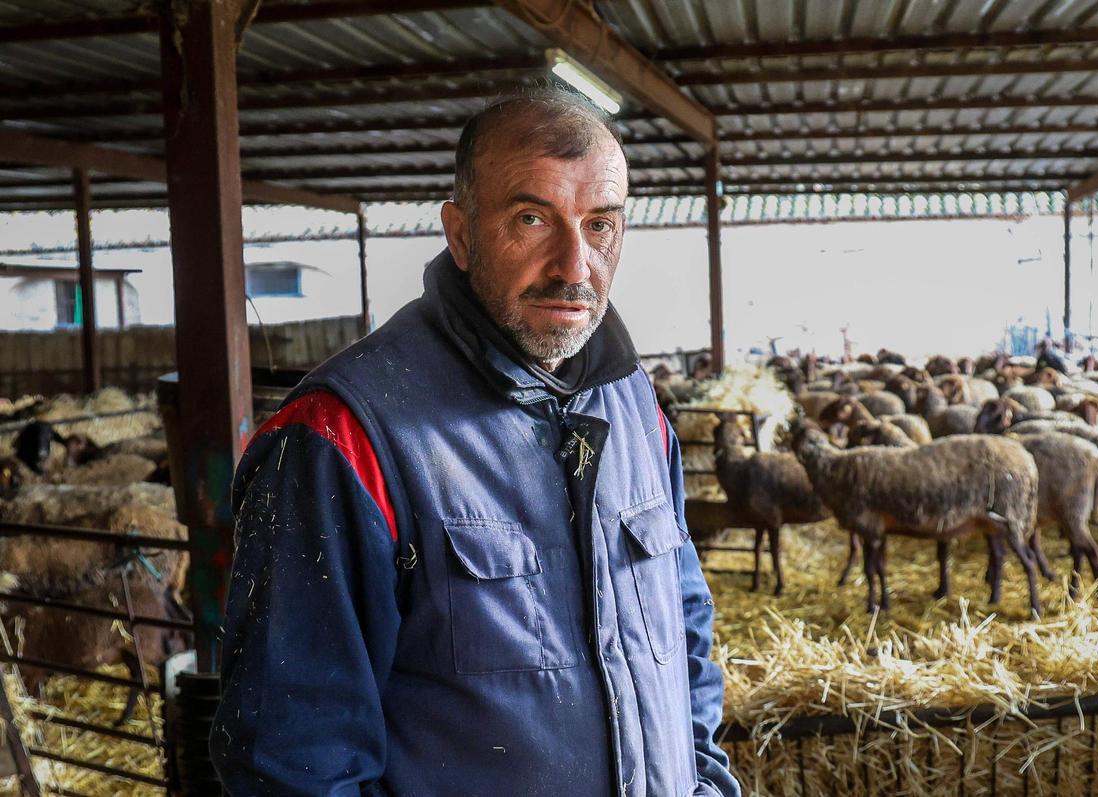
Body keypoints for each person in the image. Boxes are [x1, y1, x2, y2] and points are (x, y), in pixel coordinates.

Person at [210, 89, 739, 797]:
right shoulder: (345, 438)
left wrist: (702, 779)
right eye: (532, 219)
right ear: (459, 234)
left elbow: (685, 634)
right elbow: (297, 761)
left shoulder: (635, 404)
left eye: (600, 225)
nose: (574, 265)